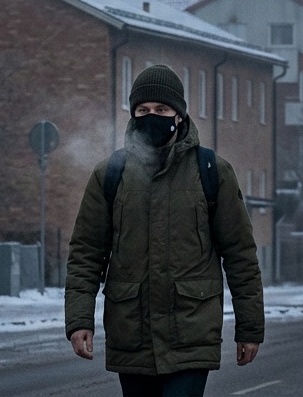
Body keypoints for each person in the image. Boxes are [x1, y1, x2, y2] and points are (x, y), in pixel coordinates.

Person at [65, 64, 264, 397]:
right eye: (143, 110)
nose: (151, 116)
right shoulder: (111, 174)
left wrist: (250, 328)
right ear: (132, 115)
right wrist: (79, 321)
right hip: (131, 336)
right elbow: (85, 253)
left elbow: (240, 255)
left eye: (161, 109)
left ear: (179, 115)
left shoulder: (212, 171)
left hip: (191, 334)